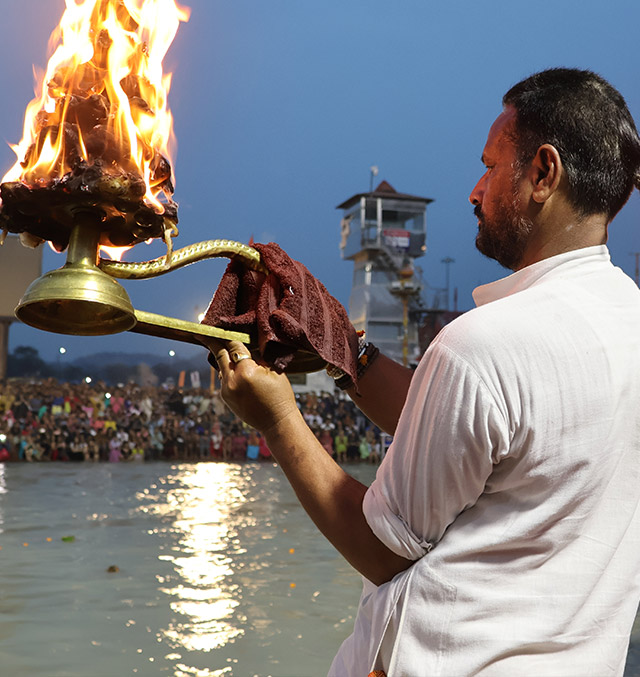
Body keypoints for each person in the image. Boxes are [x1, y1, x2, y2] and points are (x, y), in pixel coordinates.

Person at [204, 68, 640, 676]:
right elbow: (461, 424)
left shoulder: (484, 345)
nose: (474, 189)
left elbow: (383, 551)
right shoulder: (627, 320)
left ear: (543, 173)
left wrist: (277, 418)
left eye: (491, 166)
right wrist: (348, 351)